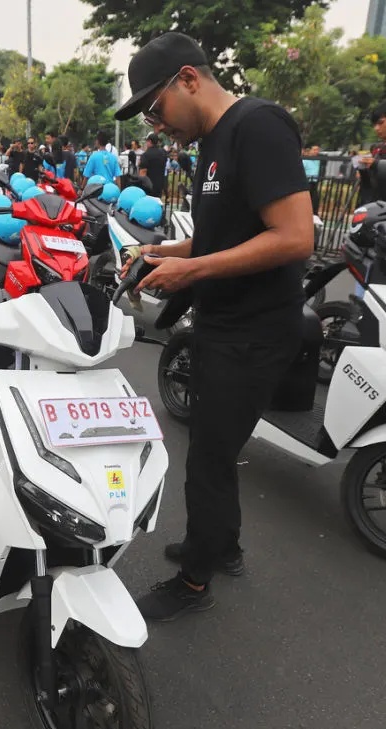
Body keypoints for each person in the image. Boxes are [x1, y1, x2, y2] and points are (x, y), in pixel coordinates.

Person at [115, 32, 313, 621]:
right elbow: (222, 236)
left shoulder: (259, 126)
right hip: (224, 320)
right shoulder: (213, 143)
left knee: (207, 455)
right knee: (216, 448)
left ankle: (195, 579)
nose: (156, 125)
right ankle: (221, 545)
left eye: (156, 109)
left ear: (189, 79)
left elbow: (295, 236)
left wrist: (192, 270)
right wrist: (161, 254)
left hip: (253, 329)